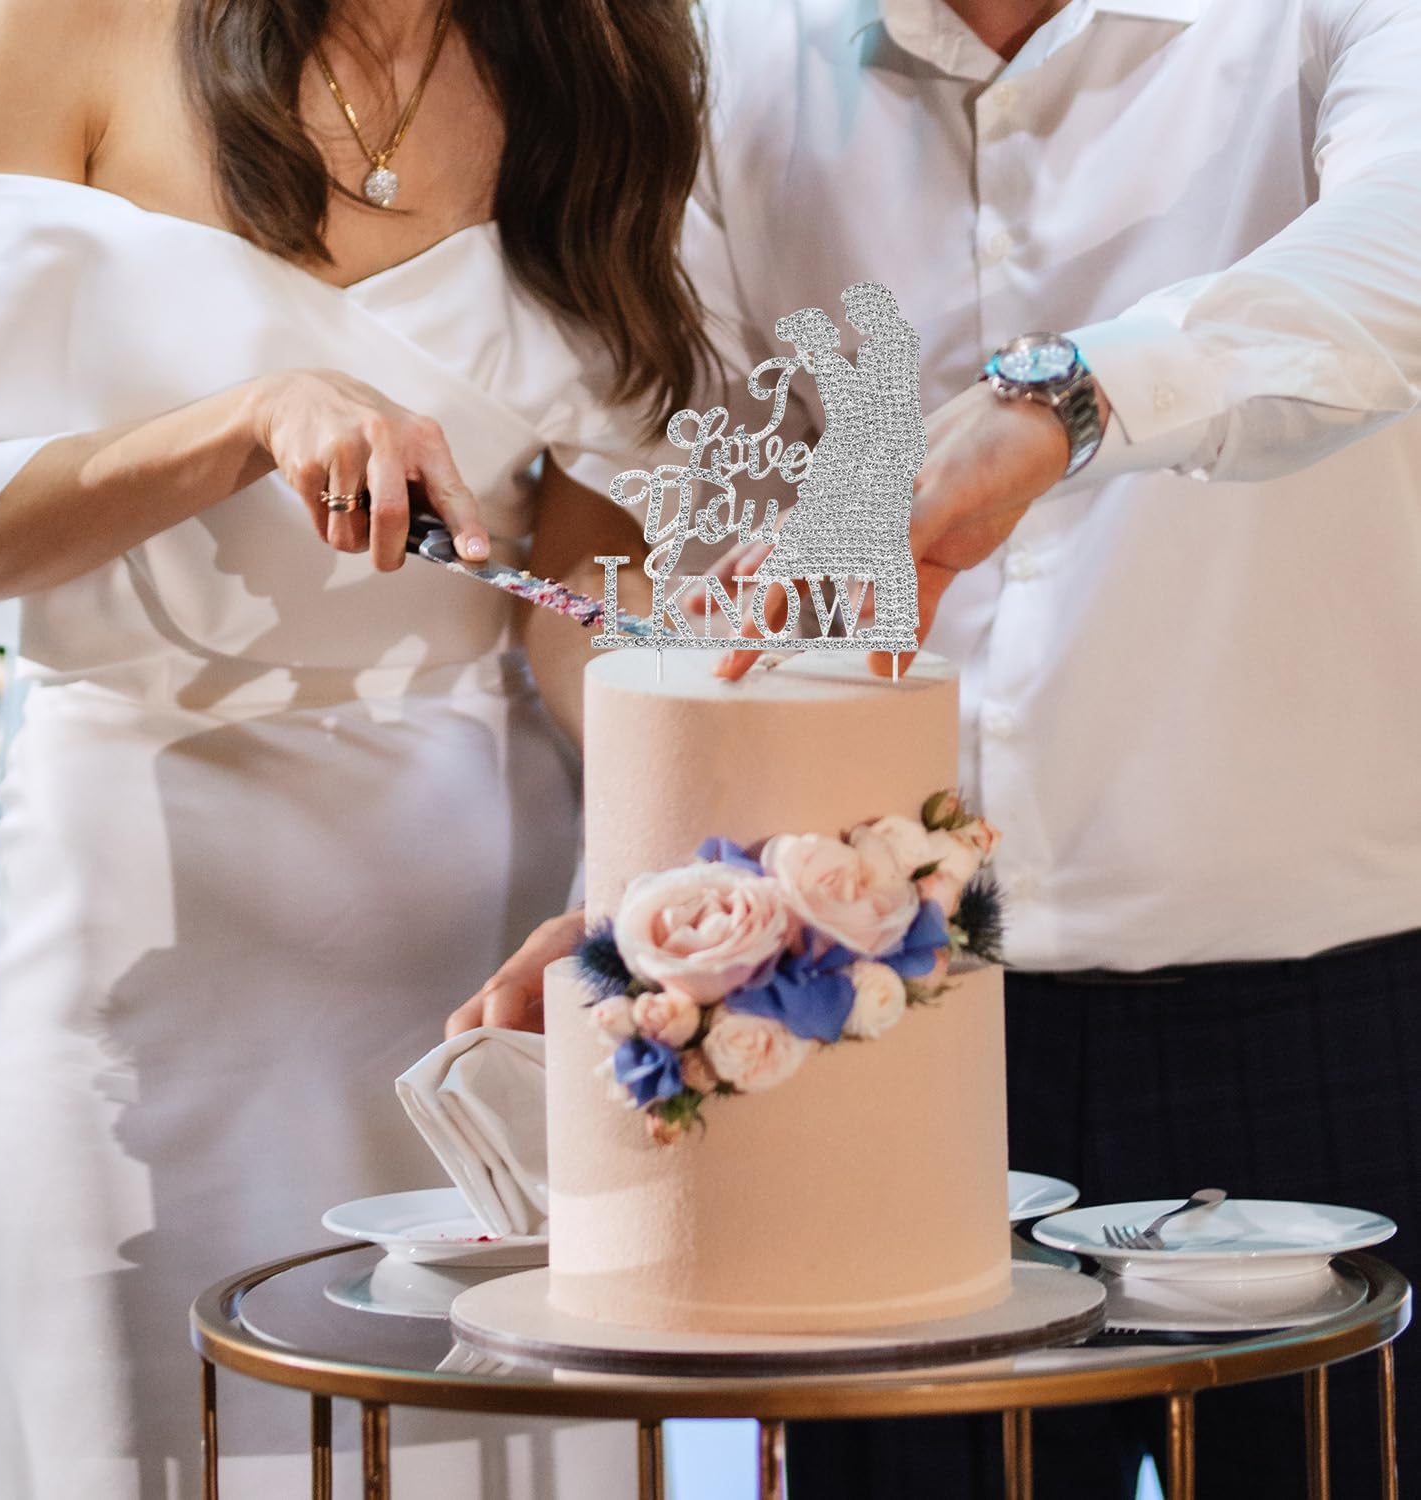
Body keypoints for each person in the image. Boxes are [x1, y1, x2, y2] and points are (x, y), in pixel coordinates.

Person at [456, 1, 1421, 1495]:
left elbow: (1395, 254)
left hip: (1323, 1011)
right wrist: (641, 889)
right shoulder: (727, 52)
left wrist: (1064, 402)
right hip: (875, 1015)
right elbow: (656, 531)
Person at [0, 0, 704, 1493]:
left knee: (496, 1420)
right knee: (142, 1421)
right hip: (140, 913)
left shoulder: (611, 46)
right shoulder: (66, 24)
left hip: (478, 928)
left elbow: (588, 576)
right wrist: (244, 422)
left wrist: (637, 878)